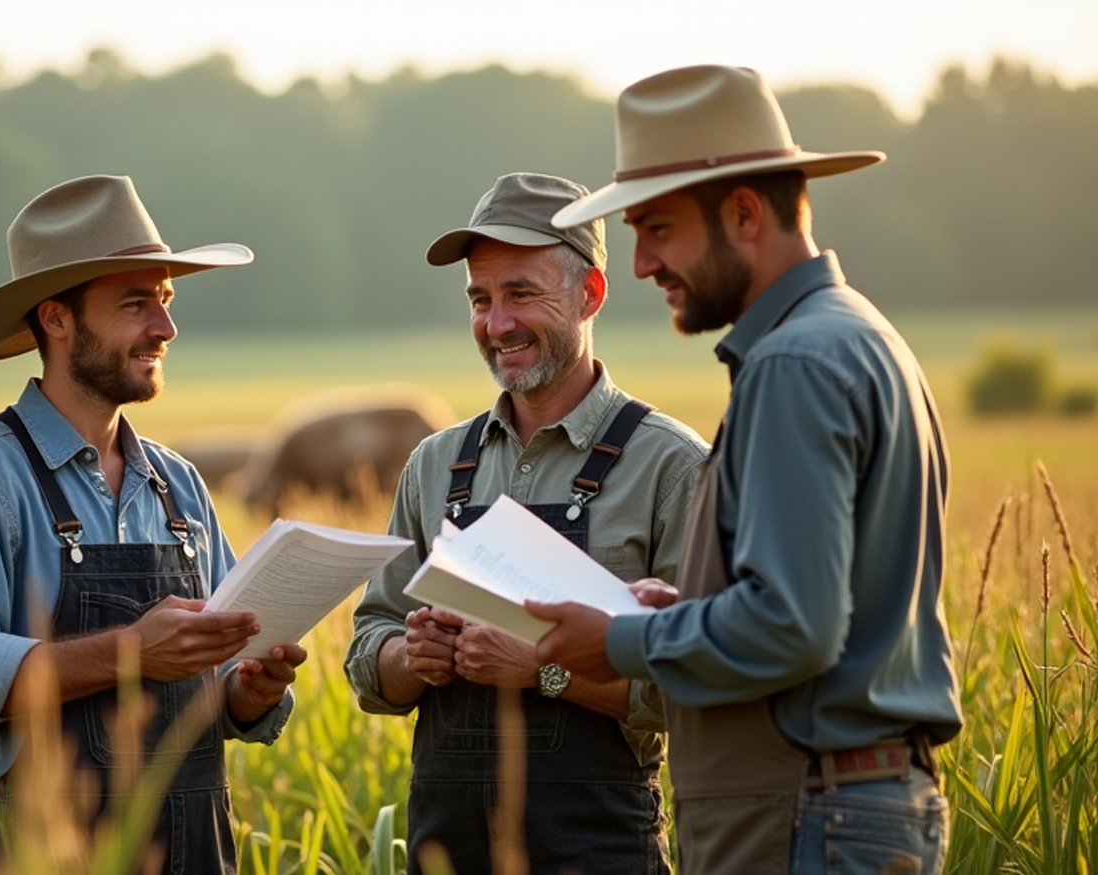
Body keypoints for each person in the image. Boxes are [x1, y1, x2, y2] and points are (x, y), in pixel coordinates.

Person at [529, 65, 961, 875]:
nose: (642, 264)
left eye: (657, 228)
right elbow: (822, 602)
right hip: (847, 806)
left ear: (743, 211)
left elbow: (792, 626)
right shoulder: (861, 338)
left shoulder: (792, 364)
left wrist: (622, 638)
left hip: (807, 817)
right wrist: (689, 607)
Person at [0, 174, 304, 874]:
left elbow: (221, 685)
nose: (166, 327)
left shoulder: (178, 484)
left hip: (200, 851)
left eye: (167, 301)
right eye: (135, 303)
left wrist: (252, 688)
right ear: (56, 319)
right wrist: (130, 652)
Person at [346, 172, 709, 875]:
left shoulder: (671, 466)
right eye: (480, 299)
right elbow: (369, 656)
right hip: (444, 849)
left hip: (598, 852)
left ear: (590, 294)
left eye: (521, 294)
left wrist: (545, 669)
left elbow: (699, 685)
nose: (496, 322)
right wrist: (408, 658)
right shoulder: (433, 464)